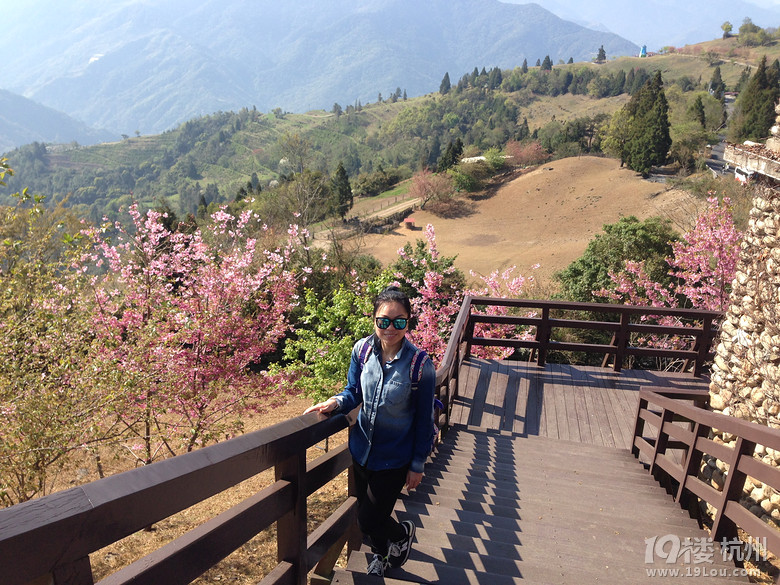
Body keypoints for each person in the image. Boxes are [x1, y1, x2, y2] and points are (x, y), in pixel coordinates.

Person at [304, 286, 436, 577]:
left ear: (409, 322)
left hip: (395, 457)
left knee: (368, 519)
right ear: (374, 320)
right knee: (371, 514)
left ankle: (401, 534)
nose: (390, 328)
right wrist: (336, 402)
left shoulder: (420, 365)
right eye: (383, 321)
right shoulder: (362, 350)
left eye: (399, 321)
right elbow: (353, 391)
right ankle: (381, 555)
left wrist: (417, 465)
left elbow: (425, 419)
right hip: (362, 449)